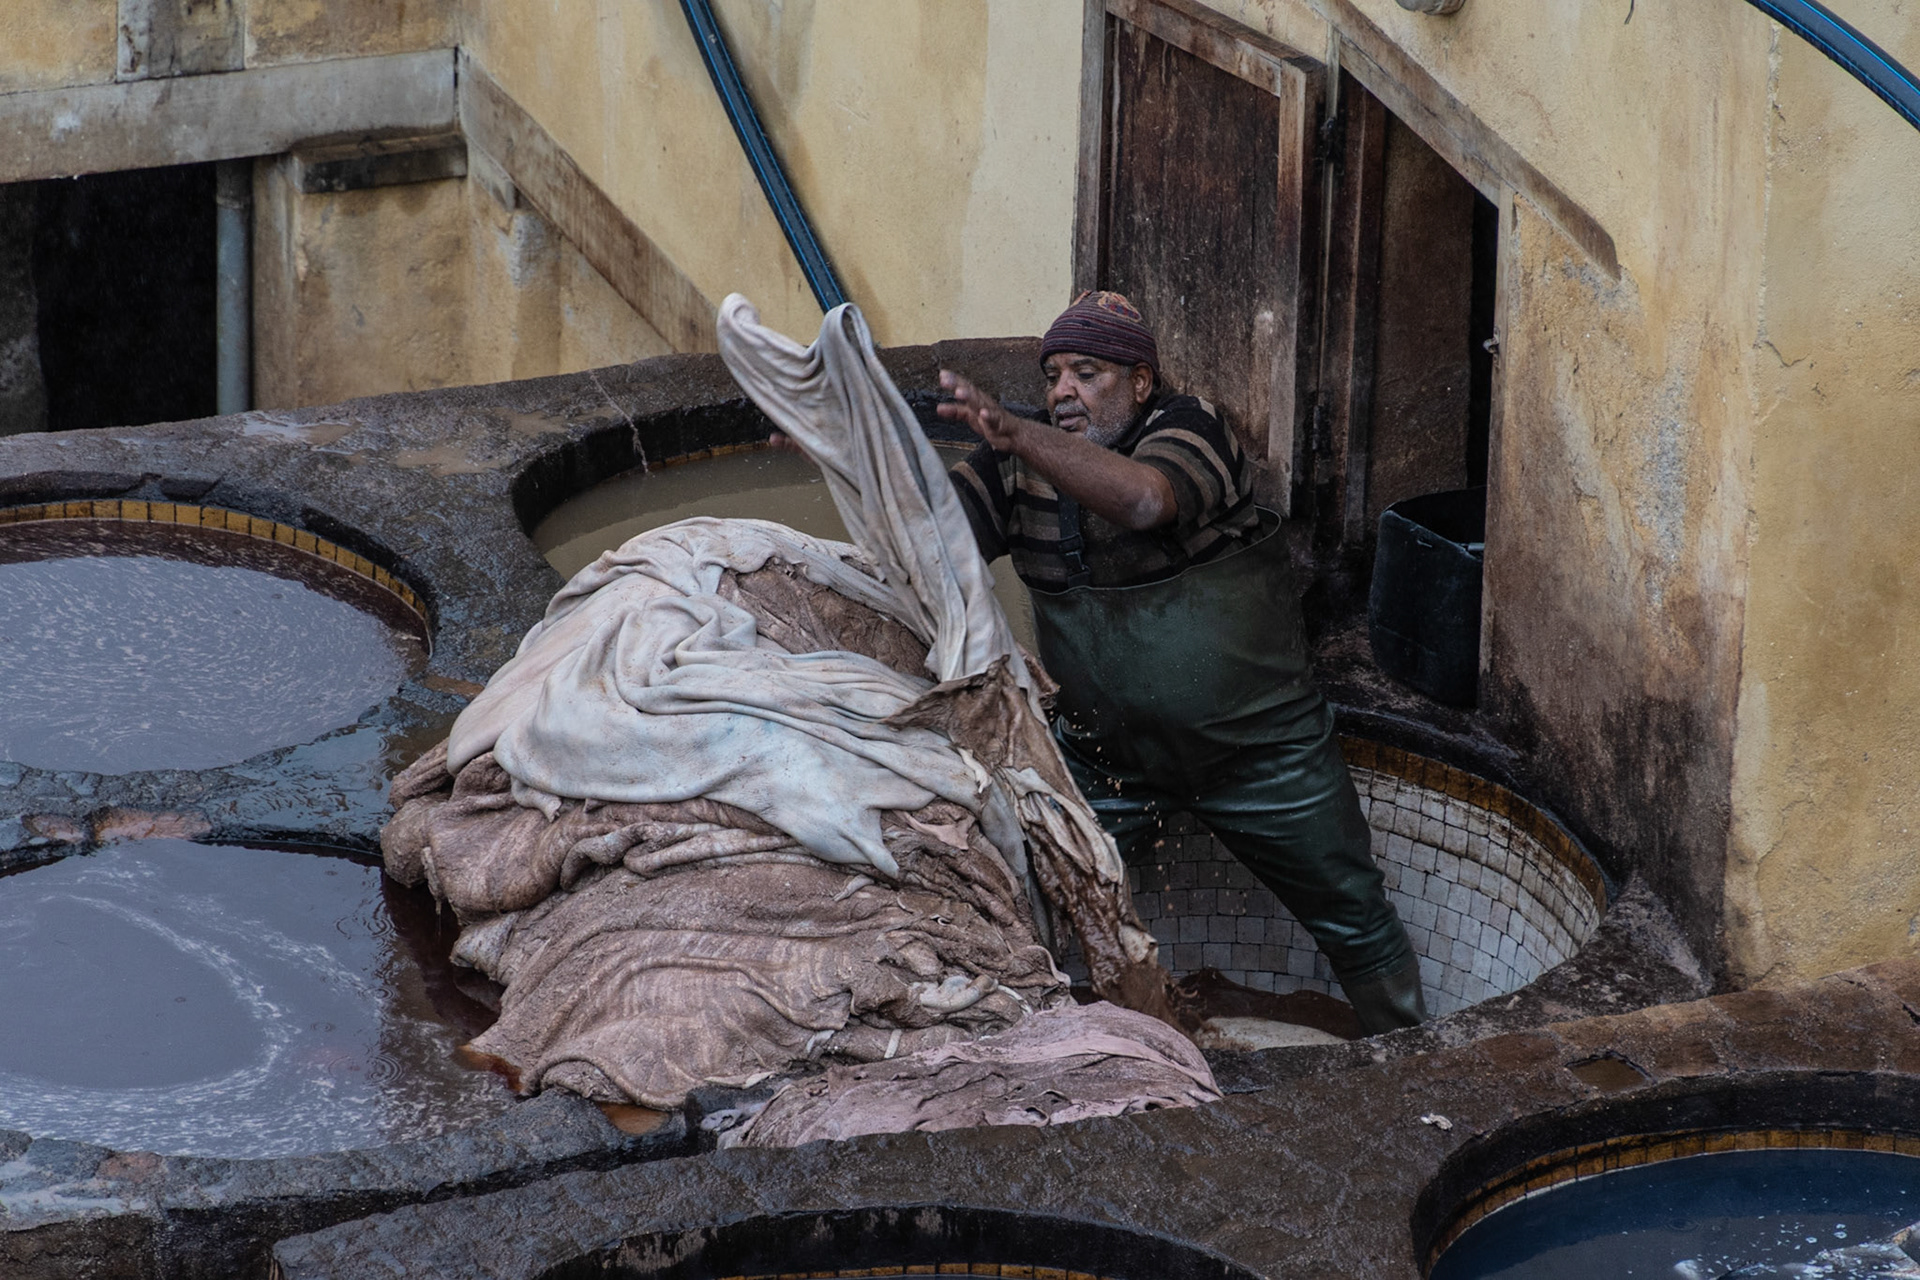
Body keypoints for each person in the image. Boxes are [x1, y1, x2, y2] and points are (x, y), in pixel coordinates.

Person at [936, 290, 1428, 1034]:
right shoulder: (1016, 466)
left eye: (1087, 372)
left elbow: (1144, 502)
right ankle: (1040, 1058)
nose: (1063, 391)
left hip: (1265, 757)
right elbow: (926, 539)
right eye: (1053, 376)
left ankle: (1413, 1053)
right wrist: (850, 446)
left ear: (1141, 382)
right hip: (1107, 766)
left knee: (1355, 916)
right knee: (1018, 906)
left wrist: (1018, 435)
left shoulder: (1190, 426)